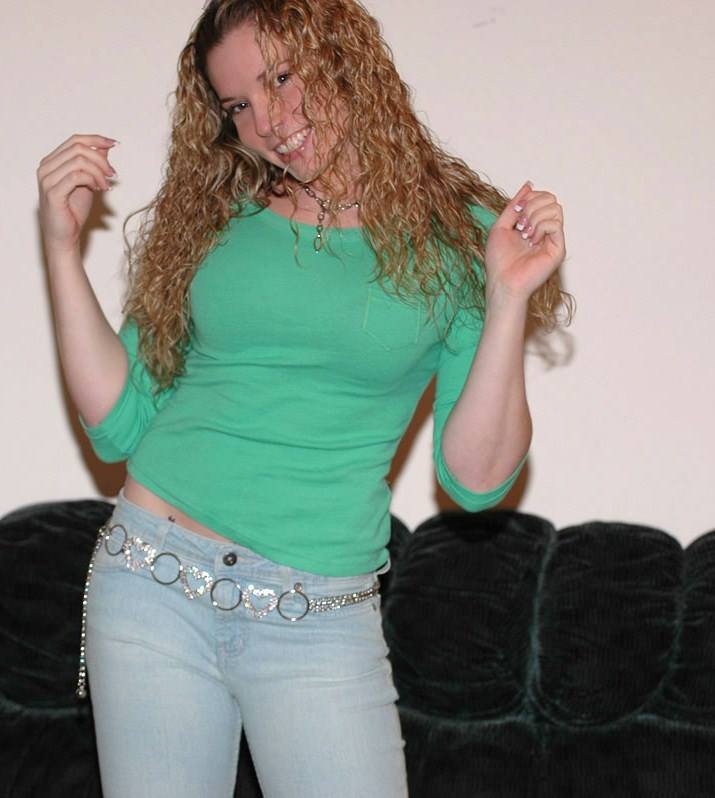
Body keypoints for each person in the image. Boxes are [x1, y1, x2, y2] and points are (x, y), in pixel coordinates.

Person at [37, 1, 569, 796]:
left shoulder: (463, 241)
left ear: (344, 59)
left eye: (282, 77)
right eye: (238, 105)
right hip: (151, 582)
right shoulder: (215, 222)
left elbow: (475, 479)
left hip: (315, 614)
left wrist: (507, 300)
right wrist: (60, 248)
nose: (269, 122)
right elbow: (118, 423)